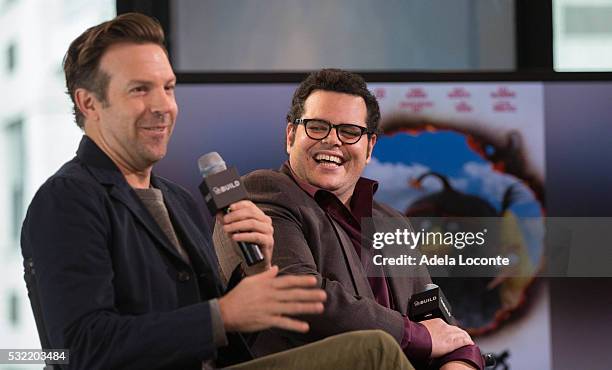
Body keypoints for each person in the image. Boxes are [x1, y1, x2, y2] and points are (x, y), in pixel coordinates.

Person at [20, 14, 415, 370]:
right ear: (89, 103)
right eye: (140, 89)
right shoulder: (67, 199)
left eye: (169, 87)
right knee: (374, 351)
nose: (163, 106)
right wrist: (222, 314)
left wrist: (254, 276)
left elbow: (224, 344)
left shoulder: (177, 200)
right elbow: (75, 350)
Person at [216, 69, 485, 370]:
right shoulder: (264, 192)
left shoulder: (393, 222)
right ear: (290, 136)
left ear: (369, 147)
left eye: (349, 131)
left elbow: (438, 320)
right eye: (317, 127)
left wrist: (461, 361)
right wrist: (417, 336)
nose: (332, 141)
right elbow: (304, 296)